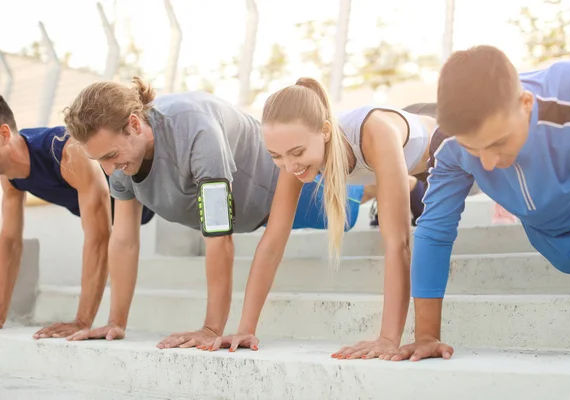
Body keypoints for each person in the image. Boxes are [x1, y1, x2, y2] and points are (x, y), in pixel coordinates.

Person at [61, 78, 366, 347]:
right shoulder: (118, 165)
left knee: (349, 205)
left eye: (112, 155)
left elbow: (219, 236)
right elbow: (124, 240)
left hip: (282, 187)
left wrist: (211, 328)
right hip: (249, 212)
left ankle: (397, 183)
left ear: (135, 124)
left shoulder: (196, 132)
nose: (109, 169)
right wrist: (116, 322)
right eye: (99, 159)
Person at [379, 45, 570, 362]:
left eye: (498, 143)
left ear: (526, 104)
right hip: (555, 241)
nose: (490, 162)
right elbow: (434, 232)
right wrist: (426, 335)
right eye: (474, 150)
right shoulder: (449, 143)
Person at [209, 78, 444, 359]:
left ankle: (410, 186)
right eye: (276, 156)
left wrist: (387, 338)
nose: (289, 165)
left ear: (325, 131)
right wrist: (245, 328)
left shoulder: (374, 132)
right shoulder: (293, 157)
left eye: (297, 153)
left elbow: (399, 244)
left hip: (444, 139)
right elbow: (272, 242)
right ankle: (408, 185)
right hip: (410, 161)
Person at [0, 95, 154, 338]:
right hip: (121, 211)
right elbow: (9, 242)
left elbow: (100, 237)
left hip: (147, 192)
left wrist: (83, 320)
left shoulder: (67, 151)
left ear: (4, 134)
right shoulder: (9, 177)